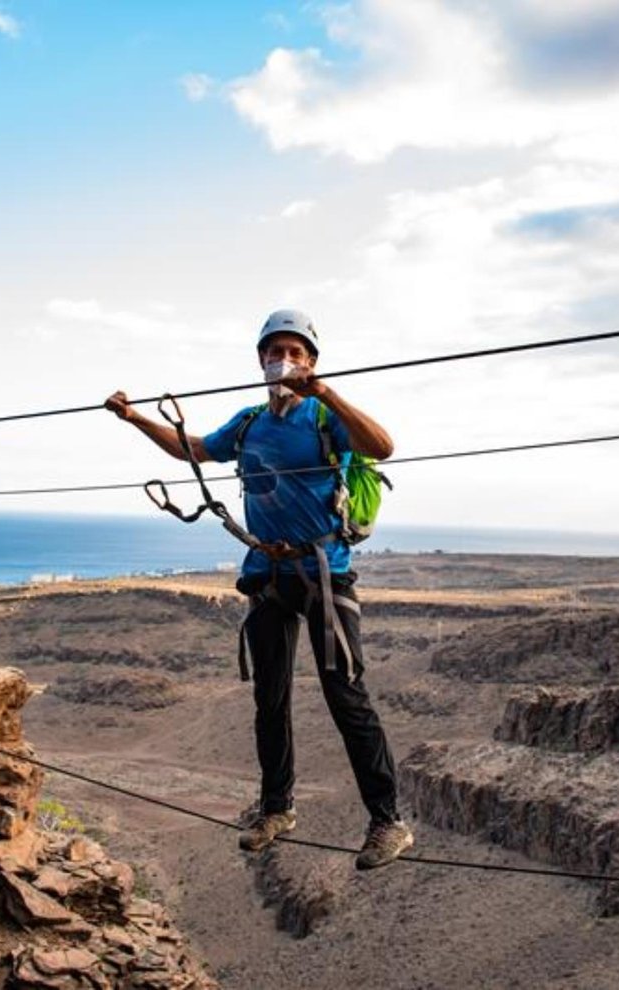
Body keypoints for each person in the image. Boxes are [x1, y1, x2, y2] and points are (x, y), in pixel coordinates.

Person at [105, 309, 414, 869]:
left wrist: (328, 393)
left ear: (312, 362)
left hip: (323, 572)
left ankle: (387, 822)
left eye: (296, 352)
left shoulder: (324, 417)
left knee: (346, 697)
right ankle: (276, 808)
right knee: (269, 698)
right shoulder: (250, 423)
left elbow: (383, 445)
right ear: (261, 361)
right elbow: (193, 449)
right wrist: (133, 419)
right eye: (276, 352)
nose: (285, 361)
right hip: (269, 574)